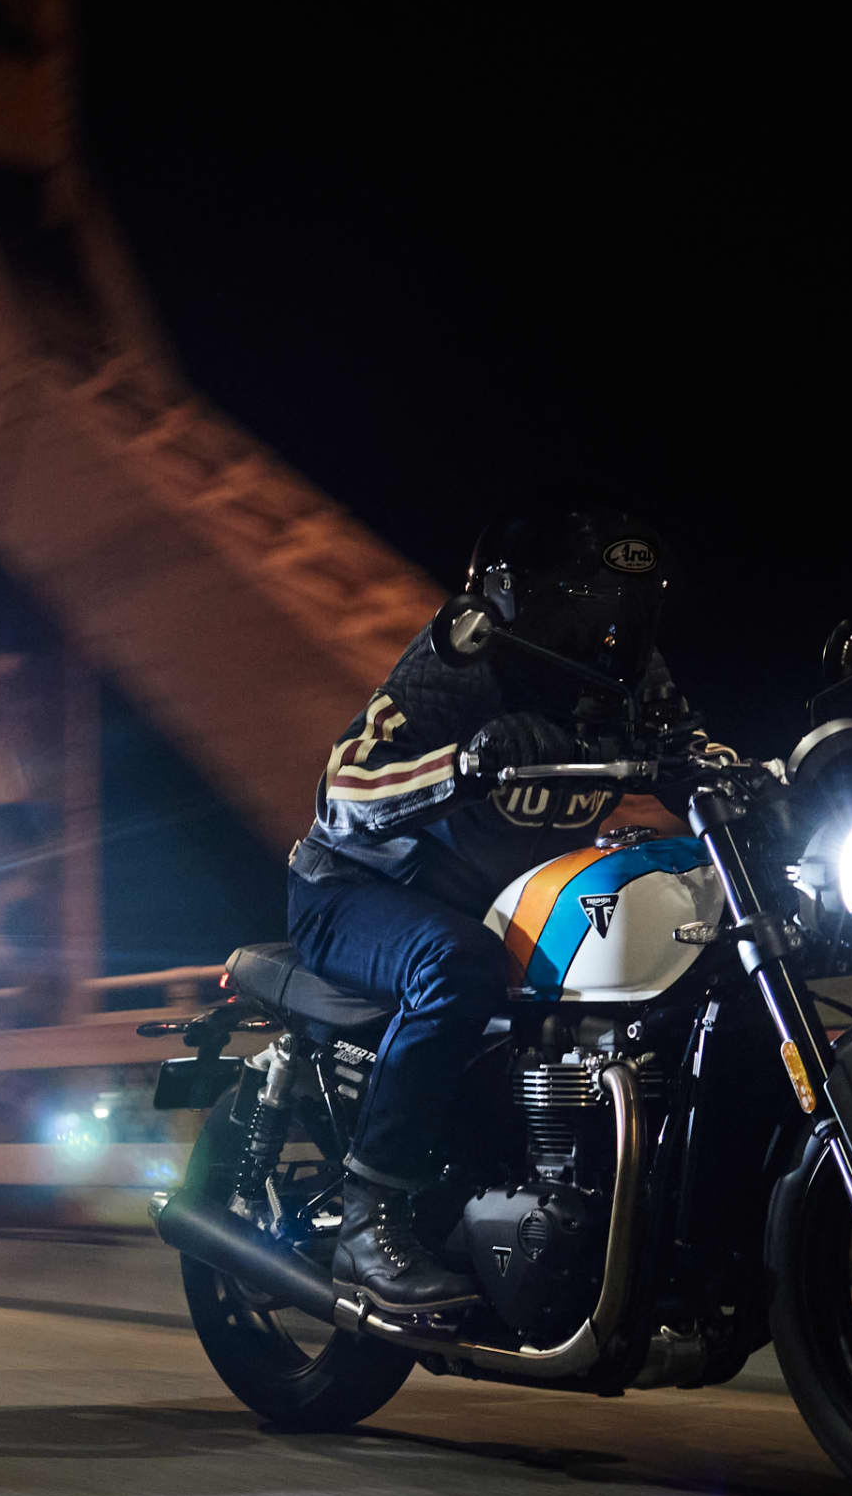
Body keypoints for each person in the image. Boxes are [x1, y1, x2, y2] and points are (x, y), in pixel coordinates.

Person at [284, 493, 679, 1310]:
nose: (604, 630)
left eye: (624, 609)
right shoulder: (457, 664)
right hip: (355, 890)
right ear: (516, 597)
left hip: (488, 903)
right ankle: (369, 1220)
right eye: (582, 607)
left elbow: (688, 743)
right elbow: (345, 782)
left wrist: (772, 777)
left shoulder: (630, 680)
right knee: (456, 961)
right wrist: (465, 763)